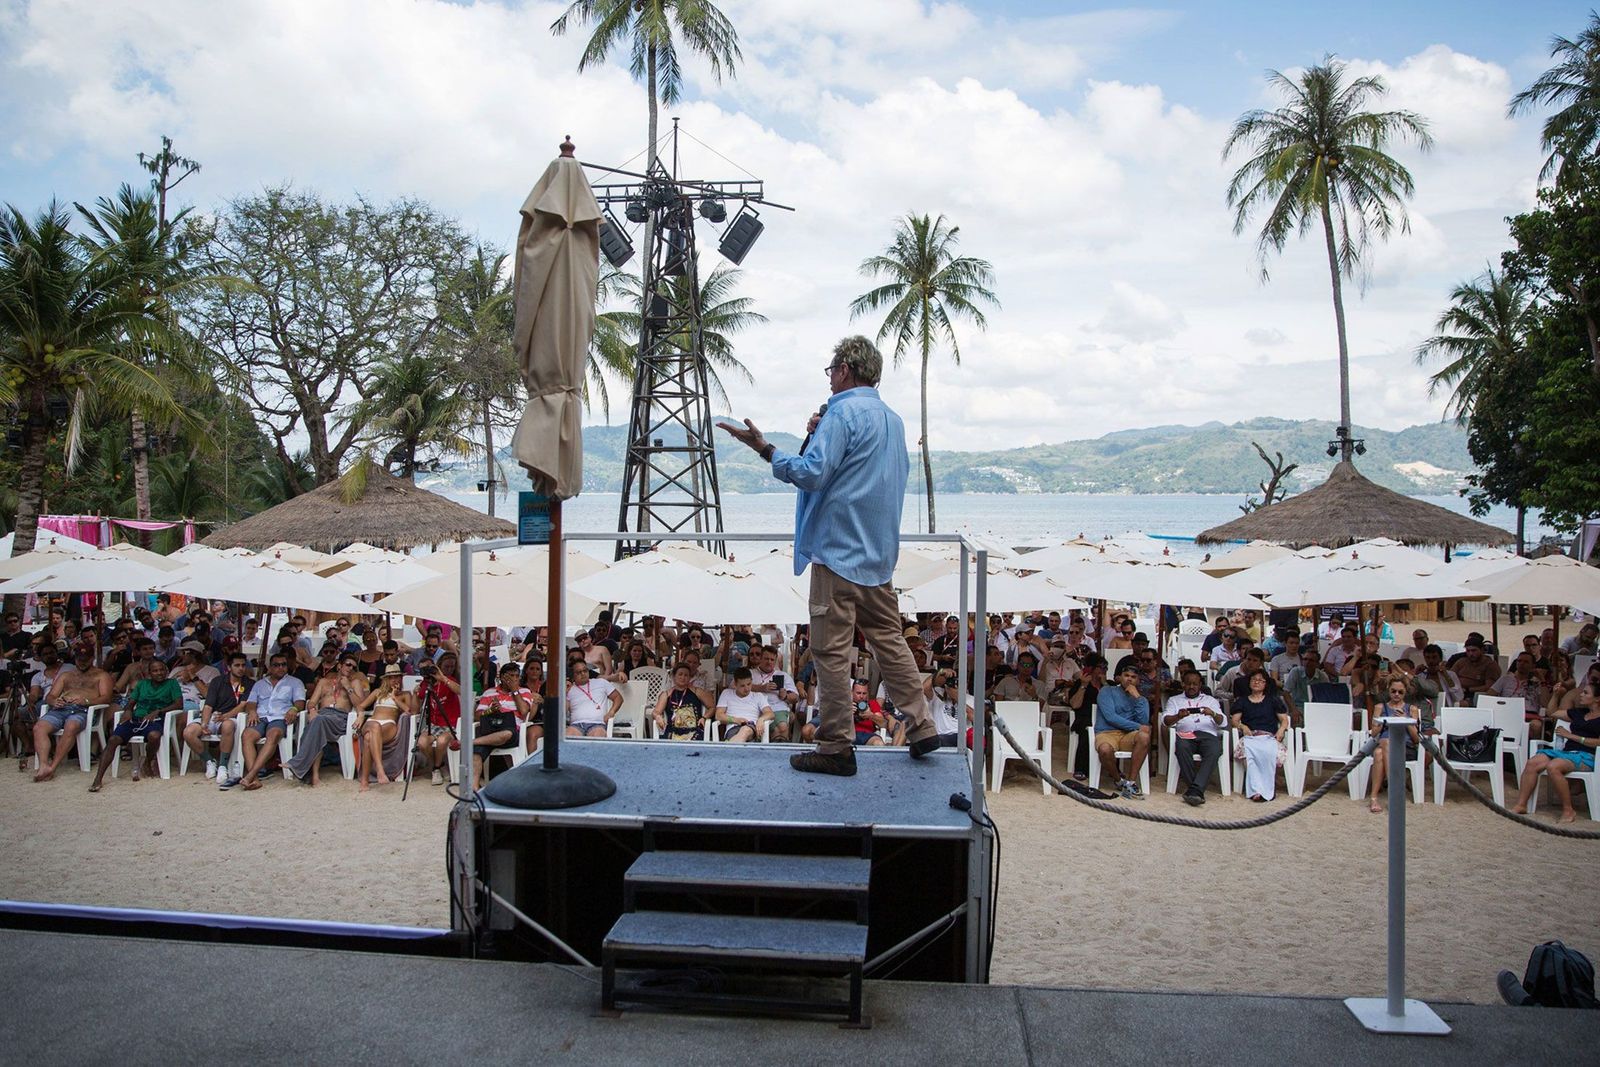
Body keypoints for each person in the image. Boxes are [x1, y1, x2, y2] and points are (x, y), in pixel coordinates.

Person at [719, 335, 939, 776]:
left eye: (831, 370)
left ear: (844, 370)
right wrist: (819, 434)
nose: (830, 378)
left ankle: (836, 744)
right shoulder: (892, 420)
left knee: (831, 652)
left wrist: (766, 449)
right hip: (878, 556)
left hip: (838, 553)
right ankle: (921, 725)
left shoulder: (842, 412)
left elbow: (812, 474)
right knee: (890, 641)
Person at [89, 657, 182, 791]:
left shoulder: (172, 683)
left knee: (154, 736)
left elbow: (179, 704)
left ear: (167, 671)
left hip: (156, 720)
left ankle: (148, 761)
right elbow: (131, 703)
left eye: (162, 670)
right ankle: (98, 778)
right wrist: (127, 711)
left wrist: (158, 711)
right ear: (149, 673)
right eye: (155, 671)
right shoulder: (142, 684)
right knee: (113, 739)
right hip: (136, 719)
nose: (159, 673)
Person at [1511, 691, 1600, 823]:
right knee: (1533, 762)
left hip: (1587, 756)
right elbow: (1552, 712)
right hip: (1566, 753)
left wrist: (1571, 736)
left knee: (1554, 766)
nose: (1580, 694)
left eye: (1586, 693)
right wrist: (1556, 695)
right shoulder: (1579, 713)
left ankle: (1568, 810)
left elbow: (1598, 742)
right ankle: (1521, 805)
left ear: (1597, 698)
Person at [283, 652, 370, 786]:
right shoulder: (324, 682)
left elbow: (360, 705)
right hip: (322, 715)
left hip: (340, 718)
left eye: (354, 667)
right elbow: (312, 702)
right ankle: (315, 777)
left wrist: (348, 687)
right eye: (348, 665)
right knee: (317, 725)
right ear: (339, 666)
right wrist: (312, 710)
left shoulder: (355, 683)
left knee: (317, 723)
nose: (351, 668)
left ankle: (298, 763)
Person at [224, 654, 307, 792]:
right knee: (247, 735)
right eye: (276, 665)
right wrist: (252, 711)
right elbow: (251, 702)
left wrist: (294, 709)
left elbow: (300, 702)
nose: (280, 667)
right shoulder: (259, 684)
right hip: (260, 717)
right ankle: (255, 779)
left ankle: (250, 775)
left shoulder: (295, 682)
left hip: (281, 717)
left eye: (283, 664)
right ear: (270, 667)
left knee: (273, 735)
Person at [31, 646, 113, 782]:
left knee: (71, 725)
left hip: (84, 709)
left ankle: (53, 766)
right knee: (39, 728)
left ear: (92, 659)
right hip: (62, 708)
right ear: (75, 659)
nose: (82, 662)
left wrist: (86, 701)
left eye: (86, 660)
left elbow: (106, 698)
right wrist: (54, 701)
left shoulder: (101, 675)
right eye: (79, 660)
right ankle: (43, 764)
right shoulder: (66, 675)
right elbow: (50, 696)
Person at [181, 652, 254, 783]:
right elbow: (208, 705)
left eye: (243, 665)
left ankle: (223, 766)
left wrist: (226, 716)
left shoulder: (249, 683)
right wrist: (204, 724)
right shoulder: (217, 681)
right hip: (214, 716)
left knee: (228, 725)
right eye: (237, 665)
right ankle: (209, 760)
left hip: (234, 718)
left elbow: (243, 705)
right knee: (188, 732)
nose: (241, 668)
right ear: (229, 667)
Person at [1163, 669, 1226, 805]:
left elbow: (1224, 722)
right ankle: (1197, 789)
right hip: (1186, 734)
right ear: (1183, 684)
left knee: (1214, 750)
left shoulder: (1210, 700)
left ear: (1200, 685)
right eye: (1188, 684)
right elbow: (1166, 721)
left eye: (1195, 684)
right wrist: (1178, 716)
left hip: (1207, 734)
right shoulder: (1174, 700)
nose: (1191, 687)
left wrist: (1212, 714)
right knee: (1182, 747)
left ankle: (1194, 789)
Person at [1230, 668, 1289, 802]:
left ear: (1265, 684)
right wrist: (1242, 726)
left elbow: (1284, 720)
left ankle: (1268, 790)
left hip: (1268, 736)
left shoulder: (1273, 700)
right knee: (1249, 753)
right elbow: (1234, 720)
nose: (1256, 682)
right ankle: (1256, 790)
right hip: (1250, 737)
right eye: (1253, 680)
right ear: (1249, 682)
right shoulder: (1242, 701)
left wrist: (1281, 730)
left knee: (1268, 752)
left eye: (1260, 680)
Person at [1094, 663, 1150, 799]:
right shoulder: (1107, 691)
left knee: (1144, 737)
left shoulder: (1141, 698)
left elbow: (1143, 721)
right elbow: (1110, 717)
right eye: (1126, 676)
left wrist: (1138, 698)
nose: (1129, 679)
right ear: (1120, 678)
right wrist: (1137, 727)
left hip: (1127, 735)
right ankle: (1119, 780)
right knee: (1105, 750)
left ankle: (1131, 782)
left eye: (1133, 677)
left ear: (1137, 680)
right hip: (1106, 733)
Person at [352, 664, 412, 791]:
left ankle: (364, 782)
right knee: (374, 726)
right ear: (386, 680)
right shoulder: (377, 692)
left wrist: (395, 698)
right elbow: (361, 706)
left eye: (397, 677)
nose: (395, 680)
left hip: (389, 725)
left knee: (368, 738)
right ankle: (380, 770)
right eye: (391, 677)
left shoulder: (405, 694)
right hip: (372, 722)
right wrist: (361, 715)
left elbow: (408, 710)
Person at [1365, 680, 1422, 814]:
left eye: (1400, 692)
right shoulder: (1380, 707)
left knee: (1383, 747)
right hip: (1384, 745)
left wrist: (1406, 720)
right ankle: (1389, 794)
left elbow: (1416, 738)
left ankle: (1379, 795)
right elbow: (1373, 733)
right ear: (1388, 691)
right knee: (1382, 747)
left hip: (1405, 747)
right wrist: (1381, 722)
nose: (1396, 694)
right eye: (1393, 691)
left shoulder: (1411, 709)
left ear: (1405, 693)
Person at [471, 663, 532, 787]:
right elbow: (477, 716)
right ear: (502, 677)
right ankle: (474, 788)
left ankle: (470, 742)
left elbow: (524, 711)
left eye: (517, 676)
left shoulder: (524, 691)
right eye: (511, 676)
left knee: (507, 733)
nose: (515, 679)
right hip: (491, 729)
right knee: (476, 753)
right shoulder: (490, 693)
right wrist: (490, 710)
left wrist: (515, 691)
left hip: (512, 731)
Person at [715, 667, 775, 743]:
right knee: (740, 734)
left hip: (752, 728)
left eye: (749, 684)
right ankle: (731, 746)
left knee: (745, 730)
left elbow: (770, 713)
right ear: (735, 684)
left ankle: (728, 747)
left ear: (752, 681)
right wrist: (736, 720)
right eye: (742, 686)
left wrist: (761, 719)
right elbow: (718, 715)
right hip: (733, 729)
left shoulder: (758, 696)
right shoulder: (727, 693)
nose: (746, 688)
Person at [653, 663, 711, 740]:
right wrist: (658, 717)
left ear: (690, 678)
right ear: (673, 677)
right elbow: (656, 712)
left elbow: (712, 707)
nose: (683, 677)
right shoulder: (666, 694)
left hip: (694, 731)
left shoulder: (697, 691)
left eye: (686, 675)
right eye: (680, 674)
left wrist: (704, 717)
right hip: (672, 732)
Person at [565, 658, 620, 738]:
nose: (583, 674)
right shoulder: (570, 689)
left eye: (585, 670)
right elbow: (563, 712)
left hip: (598, 724)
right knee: (568, 736)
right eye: (579, 672)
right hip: (576, 725)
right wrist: (565, 693)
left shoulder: (601, 682)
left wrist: (611, 712)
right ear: (572, 675)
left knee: (598, 736)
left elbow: (618, 697)